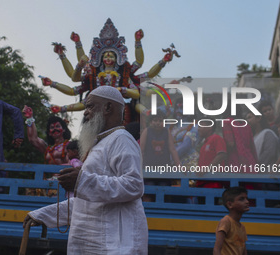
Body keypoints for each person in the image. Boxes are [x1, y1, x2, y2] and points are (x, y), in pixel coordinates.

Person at [23, 86, 148, 254]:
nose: (85, 112)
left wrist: (81, 181)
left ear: (108, 108)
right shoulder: (100, 144)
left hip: (114, 245)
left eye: (90, 106)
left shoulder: (121, 139)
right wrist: (42, 215)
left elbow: (134, 185)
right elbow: (86, 203)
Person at [40, 18, 178, 124]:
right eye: (105, 55)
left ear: (117, 57)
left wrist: (139, 42)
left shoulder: (123, 74)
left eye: (111, 55)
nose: (108, 57)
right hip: (96, 113)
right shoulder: (93, 74)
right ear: (100, 57)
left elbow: (138, 87)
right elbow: (73, 86)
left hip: (119, 112)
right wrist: (60, 101)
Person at [140, 110, 180, 187]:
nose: (158, 123)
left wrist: (179, 166)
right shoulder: (147, 131)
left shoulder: (166, 132)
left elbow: (173, 149)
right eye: (155, 120)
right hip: (148, 169)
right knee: (150, 188)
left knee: (164, 187)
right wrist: (139, 167)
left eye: (160, 121)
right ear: (151, 122)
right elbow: (141, 150)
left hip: (164, 169)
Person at [213, 187, 249, 255]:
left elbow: (244, 251)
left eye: (246, 199)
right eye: (241, 199)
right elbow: (216, 249)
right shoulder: (226, 221)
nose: (247, 202)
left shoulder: (242, 227)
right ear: (230, 204)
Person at [222, 103, 257, 167]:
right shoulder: (245, 124)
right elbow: (252, 145)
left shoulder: (227, 122)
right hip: (250, 160)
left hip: (236, 161)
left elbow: (230, 144)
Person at [196, 119, 227, 189]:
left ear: (210, 127)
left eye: (200, 126)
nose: (198, 129)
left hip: (213, 182)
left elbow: (222, 155)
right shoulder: (204, 143)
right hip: (202, 181)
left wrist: (207, 169)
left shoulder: (216, 138)